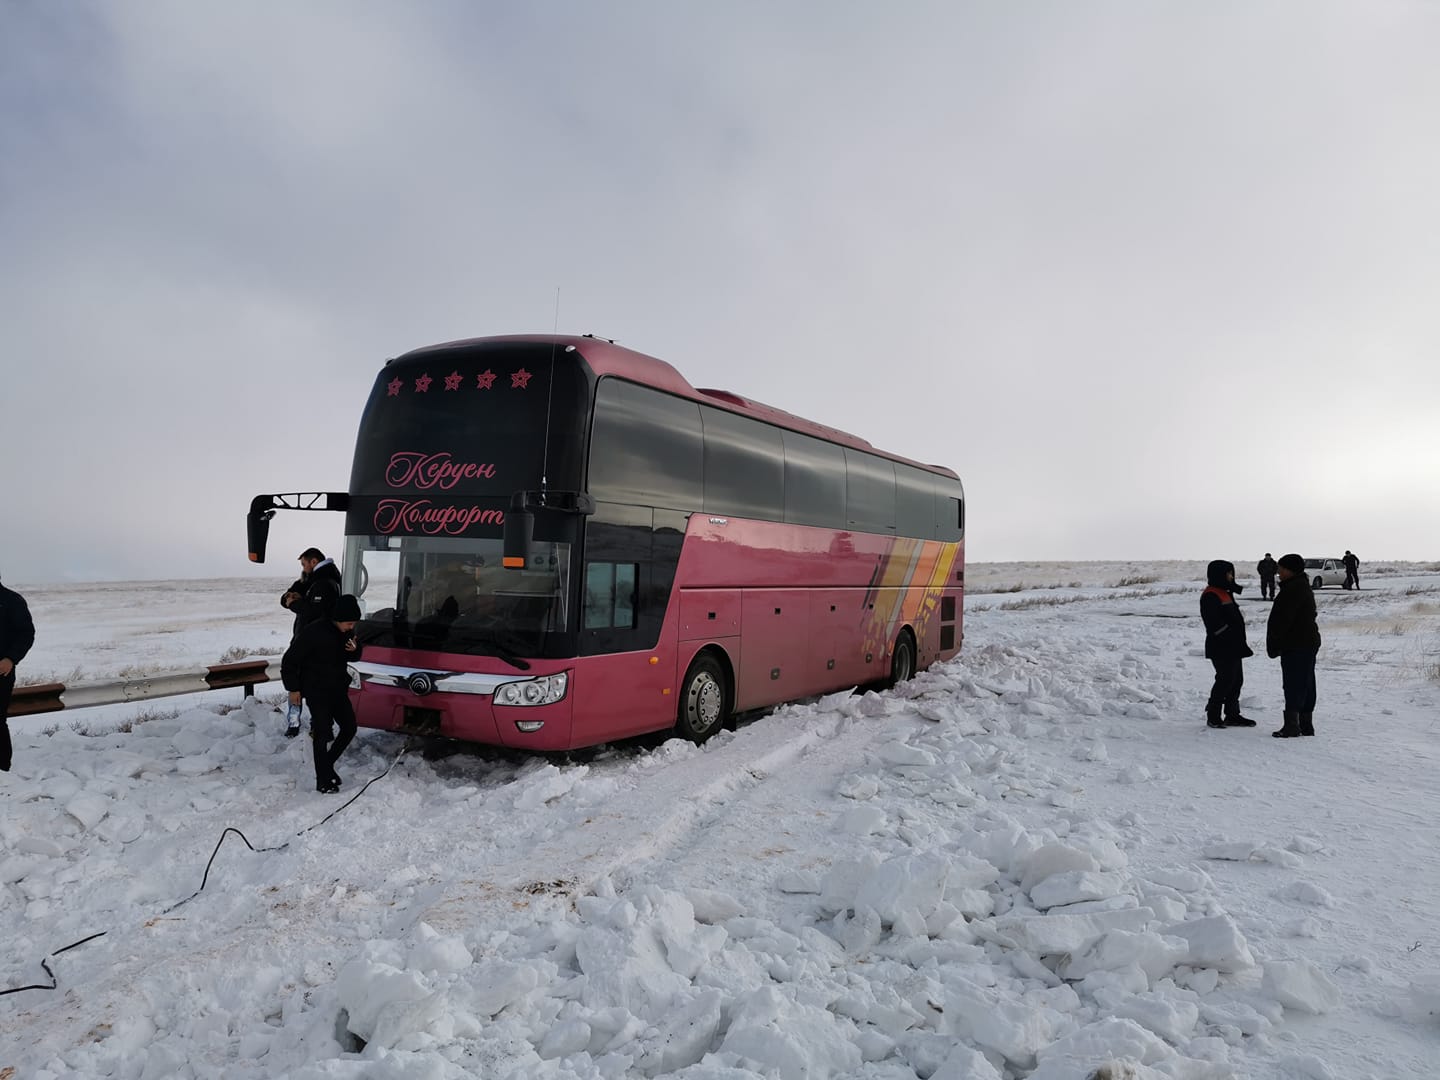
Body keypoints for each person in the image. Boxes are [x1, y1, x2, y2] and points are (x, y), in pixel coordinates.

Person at [281, 593, 363, 793]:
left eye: (354, 624)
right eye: (349, 623)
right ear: (338, 619)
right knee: (323, 732)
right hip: (316, 690)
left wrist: (355, 649)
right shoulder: (313, 631)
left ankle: (326, 766)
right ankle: (323, 782)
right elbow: (289, 661)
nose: (351, 627)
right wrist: (293, 688)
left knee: (349, 728)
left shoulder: (346, 632)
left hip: (338, 688)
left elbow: (353, 655)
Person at [279, 547, 343, 737]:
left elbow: (314, 612)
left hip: (315, 642)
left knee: (313, 687)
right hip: (306, 638)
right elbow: (287, 596)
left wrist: (294, 603)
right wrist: (290, 598)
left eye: (304, 564)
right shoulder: (310, 580)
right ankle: (303, 724)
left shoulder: (325, 582)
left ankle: (316, 726)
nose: (303, 568)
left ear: (314, 562)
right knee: (301, 683)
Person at [1268, 553, 1322, 738]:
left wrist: (1276, 641)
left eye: (1281, 569)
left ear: (1291, 570)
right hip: (1305, 642)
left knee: (1294, 683)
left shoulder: (1293, 589)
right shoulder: (1299, 586)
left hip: (1296, 643)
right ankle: (1305, 725)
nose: (1279, 572)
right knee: (1305, 682)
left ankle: (1292, 726)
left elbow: (1283, 620)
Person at [1199, 560, 1256, 728]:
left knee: (1236, 680)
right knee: (1225, 680)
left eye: (1232, 573)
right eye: (1229, 573)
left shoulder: (1224, 591)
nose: (1231, 576)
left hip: (1233, 646)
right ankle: (1213, 715)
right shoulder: (1211, 594)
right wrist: (1229, 636)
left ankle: (1232, 714)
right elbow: (1214, 624)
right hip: (1221, 646)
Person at [1, 574, 37, 773]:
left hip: (1, 672)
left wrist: (10, 659)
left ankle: (3, 768)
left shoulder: (11, 600)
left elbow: (26, 633)